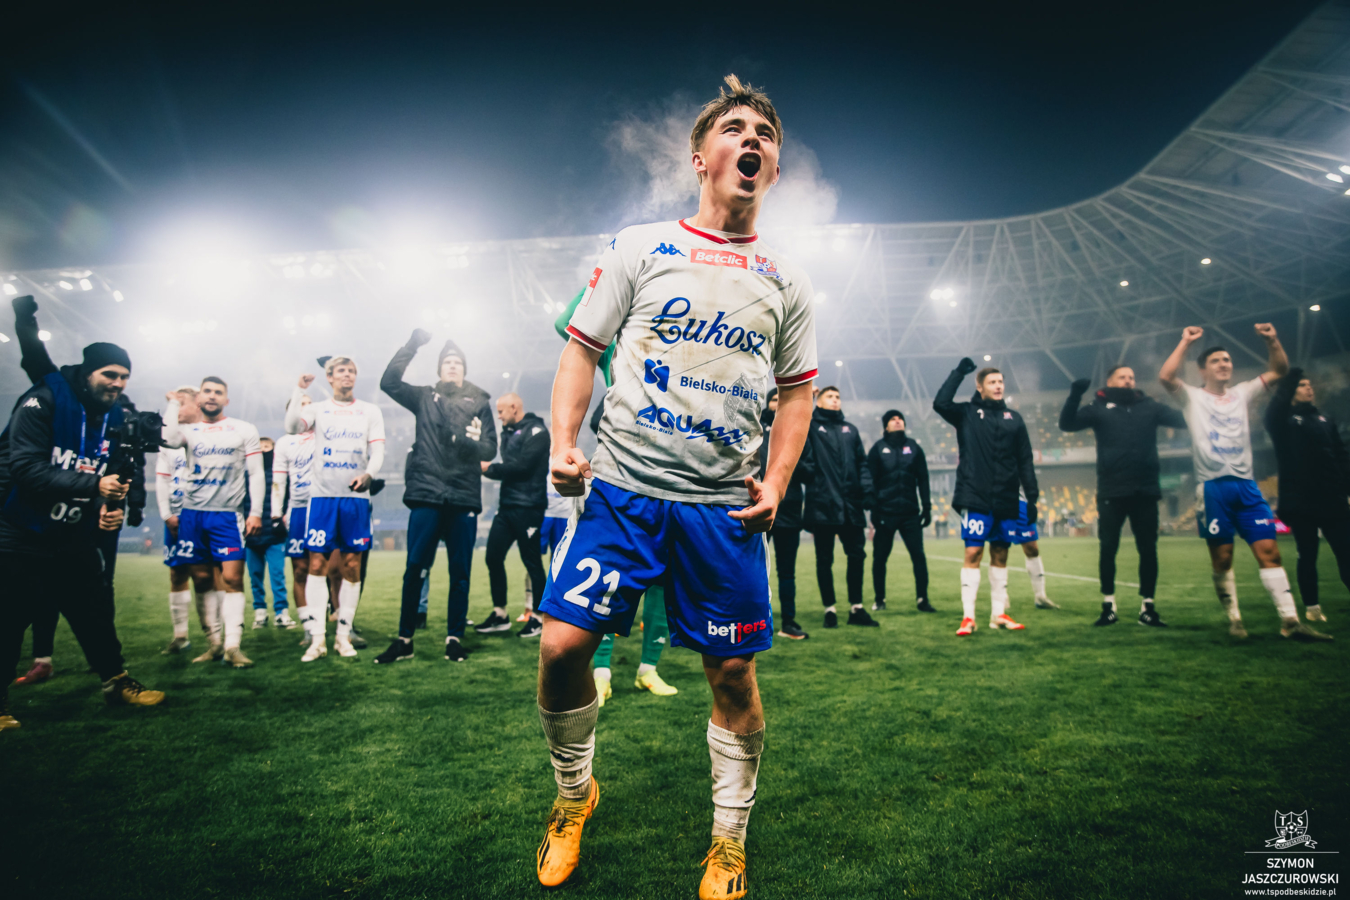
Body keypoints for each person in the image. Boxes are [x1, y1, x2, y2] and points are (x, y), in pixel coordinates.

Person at [533, 75, 817, 899]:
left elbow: (797, 392)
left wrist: (777, 481)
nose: (752, 138)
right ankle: (574, 795)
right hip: (623, 491)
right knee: (561, 647)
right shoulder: (642, 246)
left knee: (732, 676)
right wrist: (564, 442)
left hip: (722, 509)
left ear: (773, 166)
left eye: (765, 132)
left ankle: (728, 842)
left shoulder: (787, 279)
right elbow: (582, 347)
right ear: (701, 157)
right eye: (735, 127)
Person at [1, 339, 165, 731]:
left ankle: (116, 682)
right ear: (88, 372)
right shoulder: (42, 401)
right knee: (10, 617)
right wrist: (95, 487)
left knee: (94, 611)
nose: (118, 383)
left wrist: (109, 507)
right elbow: (25, 467)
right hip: (19, 530)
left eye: (124, 377)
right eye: (110, 374)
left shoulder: (114, 416)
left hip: (71, 532)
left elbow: (112, 472)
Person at [1158, 324, 1328, 641]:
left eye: (1227, 360)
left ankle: (1290, 622)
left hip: (1248, 488)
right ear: (1202, 370)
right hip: (1213, 488)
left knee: (1270, 553)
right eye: (1216, 361)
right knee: (1222, 559)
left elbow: (1279, 370)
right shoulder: (1192, 397)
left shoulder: (1242, 392)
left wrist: (1272, 340)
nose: (1224, 364)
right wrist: (1185, 342)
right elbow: (1166, 377)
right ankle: (1235, 619)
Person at [376, 332, 495, 664]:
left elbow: (490, 450)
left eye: (457, 363)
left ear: (464, 369)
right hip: (427, 493)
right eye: (447, 362)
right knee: (415, 568)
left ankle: (454, 638)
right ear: (440, 369)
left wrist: (462, 441)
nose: (452, 366)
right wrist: (411, 346)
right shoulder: (424, 397)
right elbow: (388, 383)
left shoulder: (480, 402)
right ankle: (404, 640)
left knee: (460, 572)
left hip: (462, 496)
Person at [1059, 365, 1188, 627]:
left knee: (1148, 549)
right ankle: (1109, 606)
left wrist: (1189, 396)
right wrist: (1074, 395)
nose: (1129, 381)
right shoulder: (1097, 407)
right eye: (1123, 377)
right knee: (1108, 548)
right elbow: (1067, 424)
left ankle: (1148, 607)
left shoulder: (1149, 406)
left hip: (1145, 490)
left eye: (1131, 377)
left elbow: (1185, 419)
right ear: (1109, 382)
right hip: (1112, 489)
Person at [284, 357, 385, 660]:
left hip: (356, 499)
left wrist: (369, 474)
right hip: (322, 499)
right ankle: (317, 639)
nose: (347, 375)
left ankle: (343, 636)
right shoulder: (317, 409)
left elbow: (378, 448)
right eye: (341, 371)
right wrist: (298, 390)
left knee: (351, 566)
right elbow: (291, 427)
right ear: (329, 377)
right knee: (317, 565)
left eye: (352, 371)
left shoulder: (370, 410)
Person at [162, 377, 266, 668]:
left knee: (232, 578)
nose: (212, 396)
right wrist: (173, 403)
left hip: (227, 515)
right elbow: (168, 439)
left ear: (226, 400)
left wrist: (256, 512)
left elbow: (256, 473)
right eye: (207, 391)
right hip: (192, 514)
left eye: (218, 392)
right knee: (202, 579)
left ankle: (233, 646)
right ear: (199, 399)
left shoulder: (243, 429)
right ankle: (215, 644)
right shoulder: (187, 431)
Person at [934, 360, 1038, 636]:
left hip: (1007, 497)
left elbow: (1025, 460)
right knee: (973, 552)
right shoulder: (966, 413)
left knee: (1001, 553)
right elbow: (940, 403)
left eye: (1000, 381)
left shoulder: (1014, 419)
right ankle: (968, 617)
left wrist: (1032, 498)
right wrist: (958, 373)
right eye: (992, 382)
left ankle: (998, 615)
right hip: (975, 494)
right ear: (979, 387)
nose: (998, 386)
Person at [1265, 368, 1350, 619]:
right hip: (1301, 502)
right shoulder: (1282, 422)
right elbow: (1274, 410)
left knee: (1346, 552)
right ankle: (1312, 608)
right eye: (1302, 385)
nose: (1308, 387)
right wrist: (1291, 376)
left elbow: (1341, 456)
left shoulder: (1325, 420)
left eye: (1309, 384)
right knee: (1308, 554)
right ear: (1291, 391)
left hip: (1333, 499)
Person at [800, 386, 877, 628]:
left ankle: (857, 608)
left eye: (838, 397)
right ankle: (830, 610)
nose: (835, 400)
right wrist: (807, 396)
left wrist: (867, 491)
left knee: (857, 556)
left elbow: (862, 464)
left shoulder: (850, 430)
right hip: (822, 504)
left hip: (851, 505)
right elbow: (802, 456)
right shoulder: (810, 427)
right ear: (819, 402)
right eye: (830, 397)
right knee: (824, 560)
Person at [477, 392, 549, 639]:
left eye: (501, 411)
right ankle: (500, 615)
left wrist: (489, 468)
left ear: (514, 407)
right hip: (507, 506)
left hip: (529, 507)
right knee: (493, 557)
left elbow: (523, 467)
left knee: (532, 562)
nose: (498, 416)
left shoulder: (538, 431)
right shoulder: (507, 432)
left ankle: (538, 618)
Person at [866, 410, 932, 613]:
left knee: (918, 556)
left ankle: (922, 599)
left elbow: (923, 479)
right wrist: (874, 510)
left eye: (900, 419)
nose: (897, 421)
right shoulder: (877, 449)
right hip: (885, 512)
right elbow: (870, 481)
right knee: (880, 558)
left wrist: (927, 507)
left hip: (910, 513)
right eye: (893, 419)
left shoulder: (914, 448)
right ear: (886, 426)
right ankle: (879, 599)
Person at [760, 388, 808, 638]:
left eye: (781, 399)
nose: (777, 403)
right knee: (755, 568)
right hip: (759, 509)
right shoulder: (755, 429)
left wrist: (787, 467)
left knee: (787, 571)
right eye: (773, 399)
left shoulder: (797, 432)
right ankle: (755, 619)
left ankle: (788, 622)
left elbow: (811, 468)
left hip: (789, 510)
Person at [272, 393, 319, 645]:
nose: (307, 409)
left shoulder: (325, 434)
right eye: (301, 405)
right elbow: (279, 480)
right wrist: (276, 512)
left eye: (310, 405)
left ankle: (342, 623)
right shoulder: (284, 442)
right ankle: (308, 626)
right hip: (298, 510)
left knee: (331, 570)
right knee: (300, 570)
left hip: (324, 507)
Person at [158, 385, 201, 653]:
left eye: (181, 403)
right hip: (176, 517)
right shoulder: (168, 442)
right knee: (177, 573)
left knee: (209, 573)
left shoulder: (209, 435)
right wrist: (166, 515)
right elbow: (162, 479)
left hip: (205, 514)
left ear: (197, 404)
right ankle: (180, 635)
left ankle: (217, 636)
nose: (175, 409)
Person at [246, 436, 294, 629]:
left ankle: (281, 612)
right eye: (260, 447)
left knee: (277, 575)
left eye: (267, 447)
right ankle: (260, 612)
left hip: (275, 535)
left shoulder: (281, 476)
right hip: (252, 535)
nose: (263, 450)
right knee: (255, 576)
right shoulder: (247, 476)